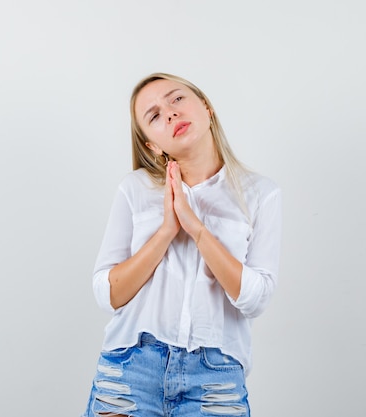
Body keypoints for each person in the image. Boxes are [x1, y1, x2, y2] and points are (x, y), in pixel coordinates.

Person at [81, 73, 282, 417]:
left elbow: (256, 298)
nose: (170, 113)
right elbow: (107, 293)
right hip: (131, 369)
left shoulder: (261, 194)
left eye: (176, 99)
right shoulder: (135, 189)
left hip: (215, 379)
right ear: (151, 145)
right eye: (155, 115)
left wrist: (197, 230)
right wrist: (165, 232)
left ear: (207, 107)